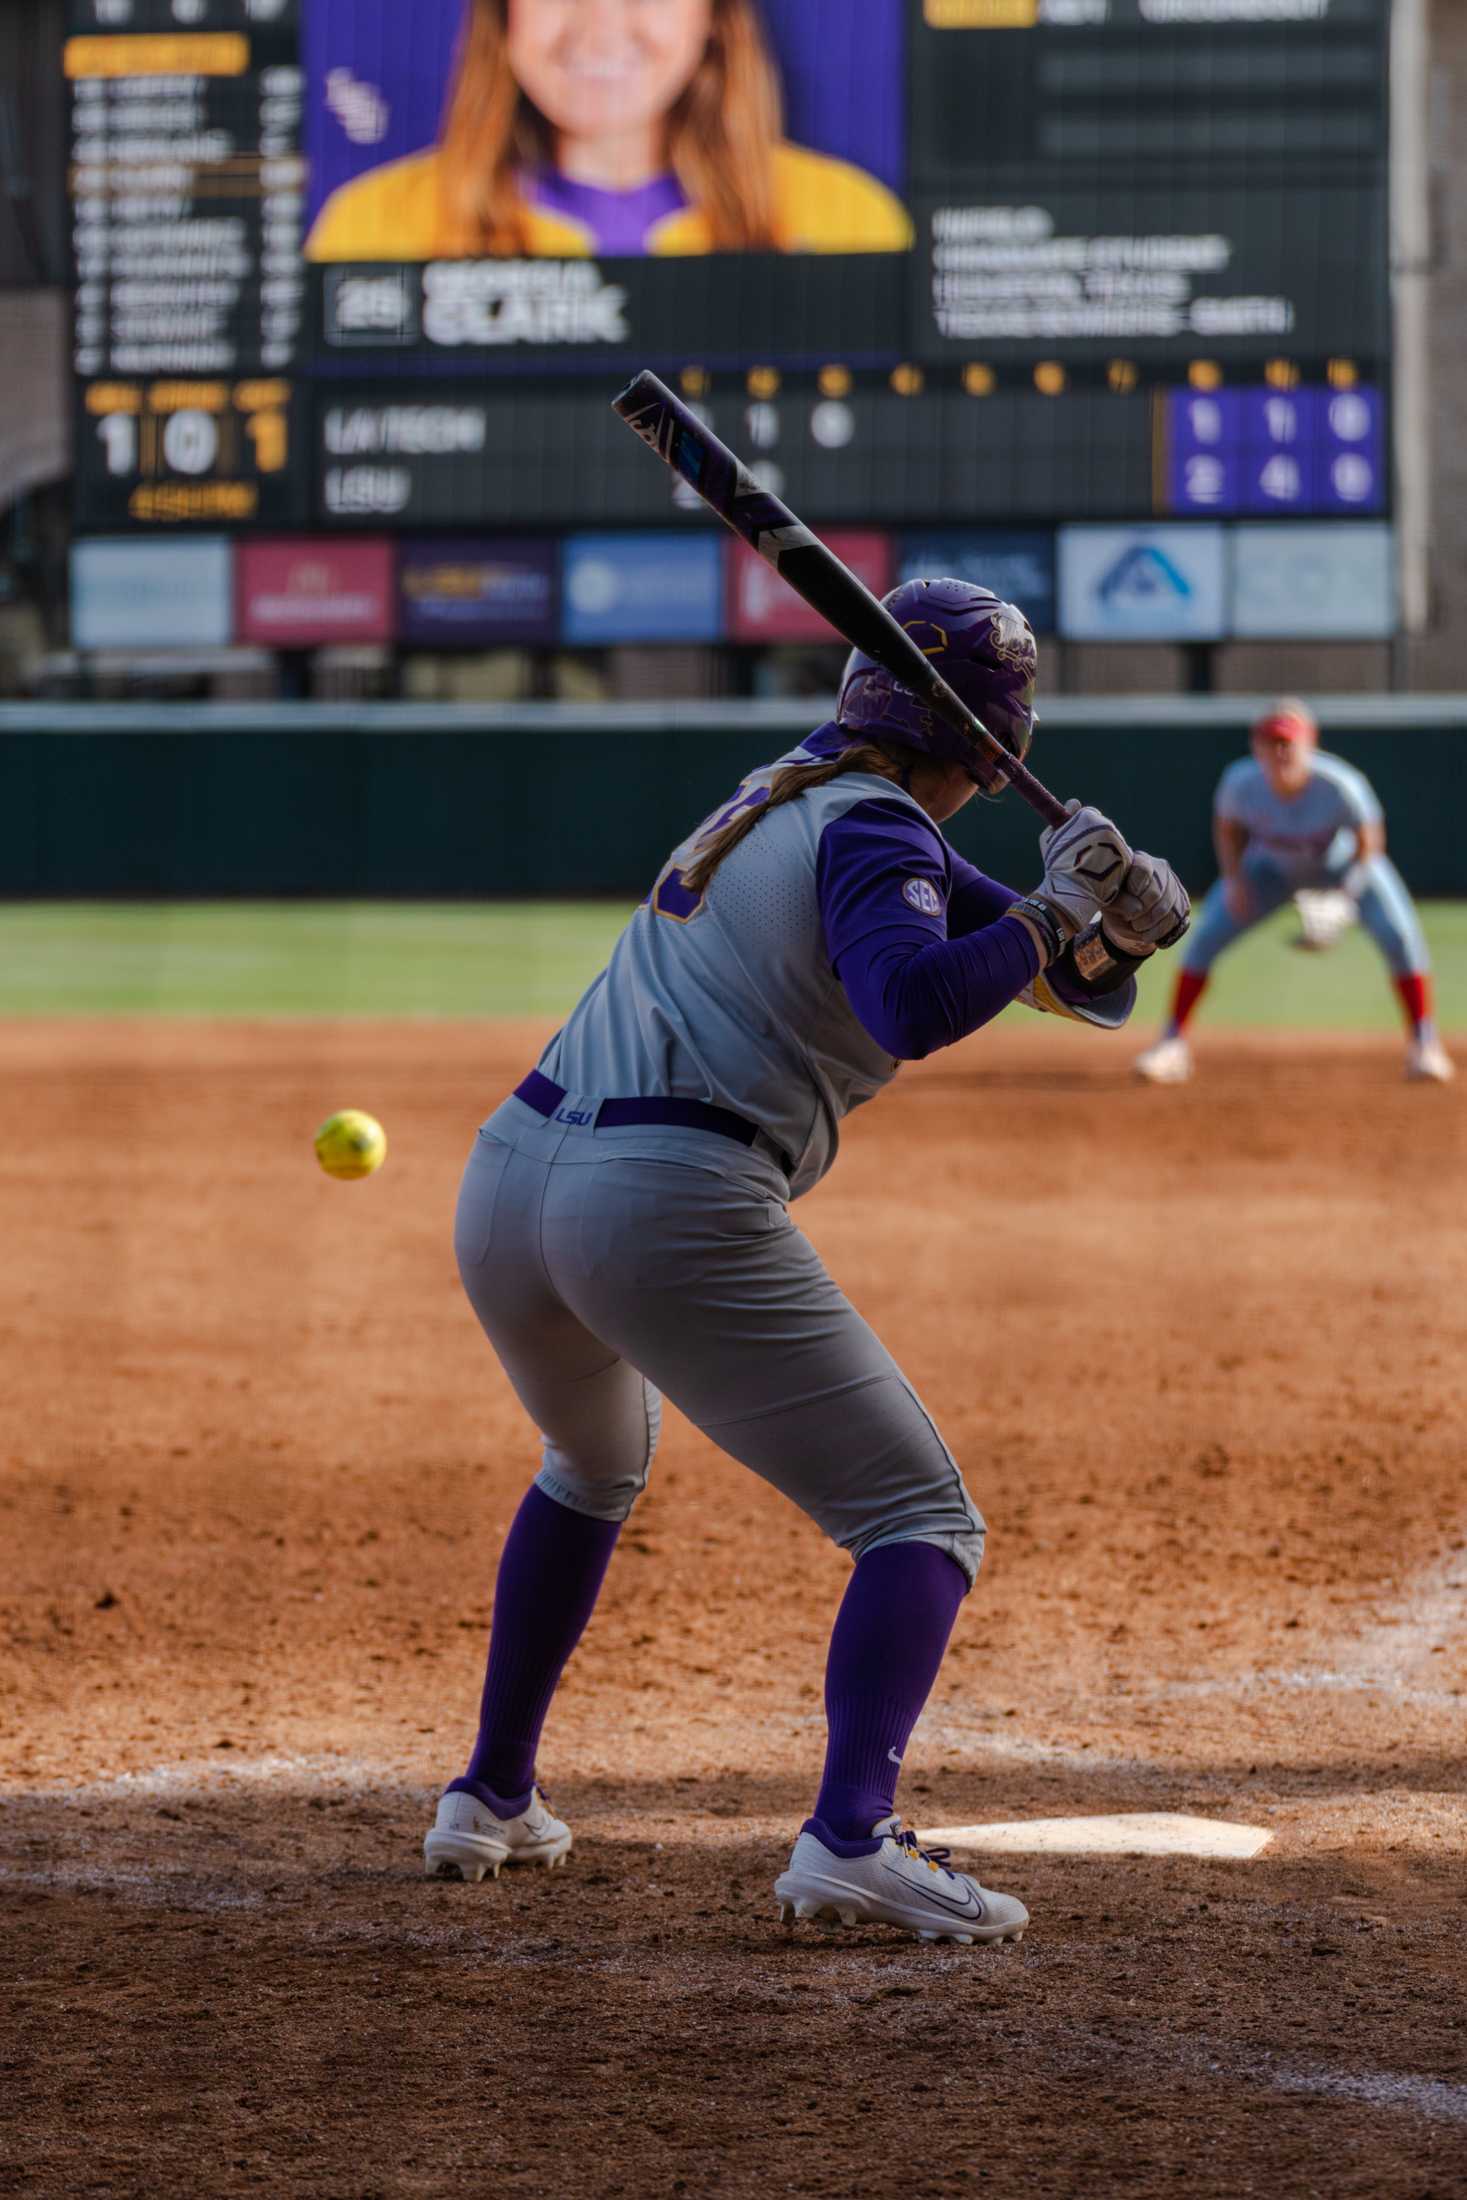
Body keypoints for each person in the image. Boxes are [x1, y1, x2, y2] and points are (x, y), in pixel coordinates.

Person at [421, 579, 1190, 1944]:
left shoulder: (793, 796)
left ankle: (489, 1795)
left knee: (591, 1462)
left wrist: (1105, 928)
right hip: (659, 1197)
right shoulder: (874, 825)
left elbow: (1041, 969)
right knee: (920, 1519)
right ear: (988, 736)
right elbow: (912, 992)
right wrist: (1042, 916)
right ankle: (849, 1838)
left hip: (513, 1177)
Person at [306, 0, 913, 262]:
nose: (599, 30)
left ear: (714, 17)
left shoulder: (848, 222)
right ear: (503, 16)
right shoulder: (372, 226)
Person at [1135, 700, 1453, 1086]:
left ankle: (1425, 1043)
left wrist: (1346, 896)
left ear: (1310, 744)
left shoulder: (1340, 784)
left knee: (1401, 935)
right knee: (1203, 938)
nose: (1281, 751)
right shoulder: (1241, 783)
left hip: (1342, 869)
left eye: (1289, 742)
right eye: (1272, 742)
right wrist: (1234, 881)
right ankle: (1171, 1044)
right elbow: (1227, 830)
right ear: (1257, 747)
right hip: (1269, 872)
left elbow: (1370, 843)